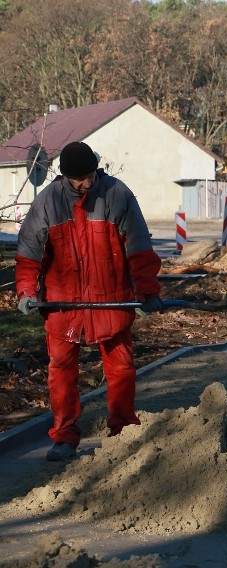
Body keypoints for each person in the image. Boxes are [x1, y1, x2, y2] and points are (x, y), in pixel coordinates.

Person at [15, 141, 163, 461]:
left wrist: (148, 291)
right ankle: (65, 436)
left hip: (111, 300)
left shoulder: (117, 194)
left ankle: (122, 430)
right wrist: (26, 291)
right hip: (62, 304)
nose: (86, 182)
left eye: (90, 174)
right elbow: (29, 252)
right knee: (61, 370)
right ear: (65, 176)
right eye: (79, 178)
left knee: (121, 368)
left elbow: (138, 246)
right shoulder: (48, 201)